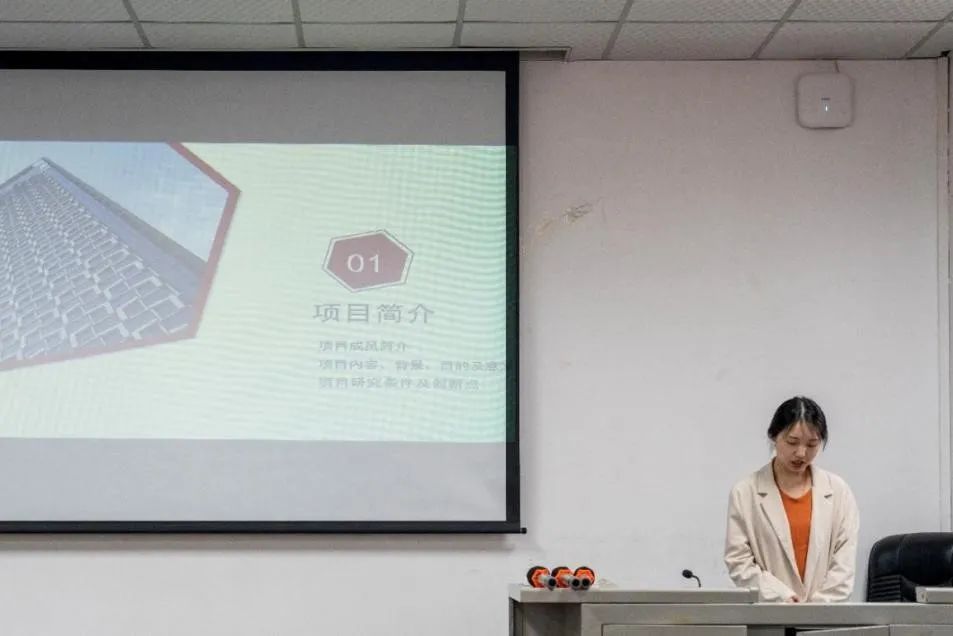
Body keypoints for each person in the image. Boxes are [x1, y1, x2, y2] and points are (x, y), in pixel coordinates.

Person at [724, 396, 860, 602]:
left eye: (812, 444)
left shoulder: (839, 492)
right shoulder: (745, 492)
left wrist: (816, 608)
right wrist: (780, 596)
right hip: (770, 612)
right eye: (792, 442)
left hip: (826, 615)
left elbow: (844, 564)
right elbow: (739, 561)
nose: (801, 453)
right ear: (774, 436)